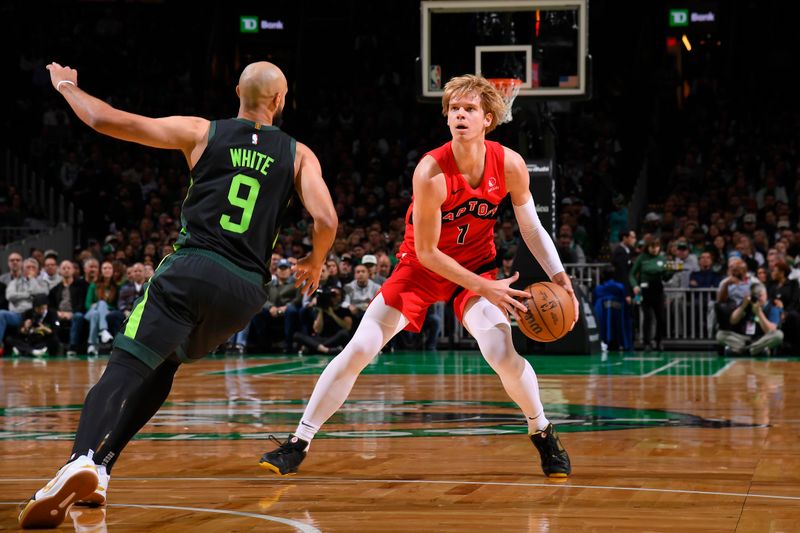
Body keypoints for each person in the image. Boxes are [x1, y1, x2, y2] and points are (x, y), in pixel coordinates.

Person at [19, 60, 337, 529]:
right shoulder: (299, 154)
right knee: (165, 363)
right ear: (280, 100)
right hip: (244, 291)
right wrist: (314, 261)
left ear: (237, 92)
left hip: (192, 269)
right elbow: (326, 220)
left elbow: (106, 119)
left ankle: (79, 459)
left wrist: (66, 86)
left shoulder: (201, 131)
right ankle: (102, 469)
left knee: (125, 368)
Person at [259, 75, 577, 480]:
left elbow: (531, 228)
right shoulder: (430, 171)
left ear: (488, 119)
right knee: (359, 349)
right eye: (454, 110)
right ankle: (298, 442)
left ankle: (542, 431)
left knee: (501, 354)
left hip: (477, 269)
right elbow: (428, 252)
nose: (460, 115)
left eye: (470, 109)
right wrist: (485, 288)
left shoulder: (510, 165)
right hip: (421, 269)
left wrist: (560, 277)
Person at [629, 235, 674, 351]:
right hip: (645, 290)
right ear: (647, 247)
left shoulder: (663, 259)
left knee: (661, 317)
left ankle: (659, 341)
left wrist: (672, 272)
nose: (654, 249)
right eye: (652, 247)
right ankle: (647, 343)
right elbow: (632, 274)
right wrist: (635, 286)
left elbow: (665, 277)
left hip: (658, 289)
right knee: (647, 317)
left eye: (657, 247)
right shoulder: (642, 258)